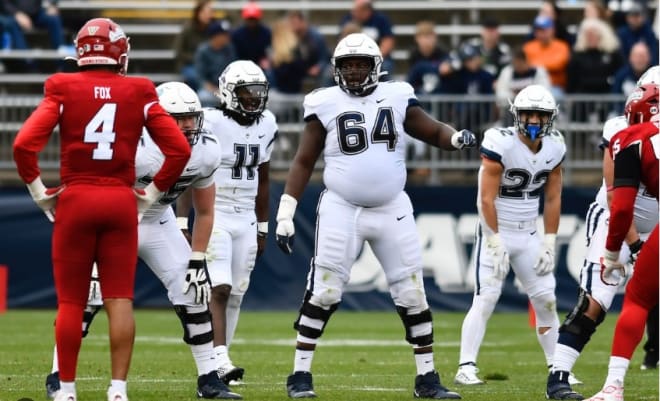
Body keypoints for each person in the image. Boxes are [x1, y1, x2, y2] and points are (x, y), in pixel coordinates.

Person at [275, 33, 476, 399]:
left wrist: (455, 138)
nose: (353, 72)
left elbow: (429, 128)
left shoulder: (397, 95)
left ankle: (427, 378)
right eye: (347, 65)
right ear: (336, 69)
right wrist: (286, 211)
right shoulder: (324, 102)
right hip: (341, 207)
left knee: (412, 293)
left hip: (391, 207)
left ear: (375, 67)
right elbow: (303, 159)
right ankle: (299, 375)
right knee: (324, 291)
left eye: (360, 64)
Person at [12, 18, 191, 401]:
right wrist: (153, 191)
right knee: (120, 299)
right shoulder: (139, 91)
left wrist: (40, 191)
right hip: (120, 201)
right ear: (119, 54)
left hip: (76, 198)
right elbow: (179, 149)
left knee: (72, 301)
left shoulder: (61, 86)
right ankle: (118, 390)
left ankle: (67, 390)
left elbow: (24, 145)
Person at [42, 82, 242, 400]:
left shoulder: (206, 148)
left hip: (158, 219)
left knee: (192, 289)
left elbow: (204, 211)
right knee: (89, 296)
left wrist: (198, 256)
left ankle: (209, 378)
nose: (188, 124)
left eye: (192, 117)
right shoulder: (135, 146)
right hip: (115, 220)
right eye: (179, 118)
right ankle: (58, 375)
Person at [545, 69, 660, 400]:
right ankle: (559, 376)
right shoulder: (620, 129)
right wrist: (635, 245)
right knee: (596, 301)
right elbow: (615, 198)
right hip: (615, 222)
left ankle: (617, 383)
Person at [454, 85, 567, 387]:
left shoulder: (555, 145)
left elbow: (554, 198)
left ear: (550, 118)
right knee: (486, 297)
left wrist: (550, 240)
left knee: (546, 300)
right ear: (515, 114)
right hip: (497, 230)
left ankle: (557, 368)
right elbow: (485, 200)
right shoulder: (499, 142)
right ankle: (465, 366)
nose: (533, 120)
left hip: (530, 234)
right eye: (528, 113)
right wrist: (494, 239)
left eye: (539, 115)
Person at [179, 59, 277, 386]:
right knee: (218, 288)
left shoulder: (268, 124)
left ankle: (222, 361)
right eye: (246, 92)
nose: (253, 98)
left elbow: (263, 179)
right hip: (216, 212)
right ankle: (219, 359)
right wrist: (181, 218)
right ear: (228, 92)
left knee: (236, 292)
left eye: (257, 92)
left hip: (246, 217)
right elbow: (190, 167)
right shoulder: (210, 120)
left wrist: (263, 226)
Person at [584, 82, 659, 401]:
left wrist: (614, 252)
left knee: (639, 300)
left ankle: (614, 386)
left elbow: (623, 206)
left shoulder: (632, 138)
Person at [340, 0, 395, 78]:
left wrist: (374, 58)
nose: (353, 13)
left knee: (384, 68)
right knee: (332, 71)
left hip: (377, 58)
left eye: (357, 11)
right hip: (351, 57)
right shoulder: (348, 19)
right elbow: (341, 42)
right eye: (354, 10)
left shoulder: (381, 19)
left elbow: (388, 41)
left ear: (367, 10)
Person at [523, 15, 571, 101]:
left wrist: (537, 64)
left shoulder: (561, 46)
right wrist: (546, 63)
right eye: (538, 30)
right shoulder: (528, 47)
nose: (540, 33)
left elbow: (559, 64)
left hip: (555, 87)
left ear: (552, 30)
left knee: (553, 97)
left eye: (543, 30)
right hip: (532, 86)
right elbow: (525, 66)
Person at [173, 0, 216, 91]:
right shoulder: (188, 28)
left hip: (209, 64)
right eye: (205, 12)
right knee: (195, 77)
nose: (208, 15)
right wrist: (196, 58)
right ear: (198, 13)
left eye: (210, 12)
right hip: (190, 64)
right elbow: (178, 51)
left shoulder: (214, 29)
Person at [194, 19, 236, 107]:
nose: (228, 37)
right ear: (215, 36)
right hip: (210, 90)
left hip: (228, 88)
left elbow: (235, 72)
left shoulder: (230, 49)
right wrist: (214, 90)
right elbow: (200, 78)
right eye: (224, 34)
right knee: (204, 97)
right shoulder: (203, 51)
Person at [230, 2, 271, 70]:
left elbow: (269, 51)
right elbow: (234, 54)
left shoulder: (266, 33)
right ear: (245, 19)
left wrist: (267, 60)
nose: (252, 22)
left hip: (261, 67)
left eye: (254, 19)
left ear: (258, 19)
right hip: (241, 66)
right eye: (249, 19)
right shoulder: (237, 34)